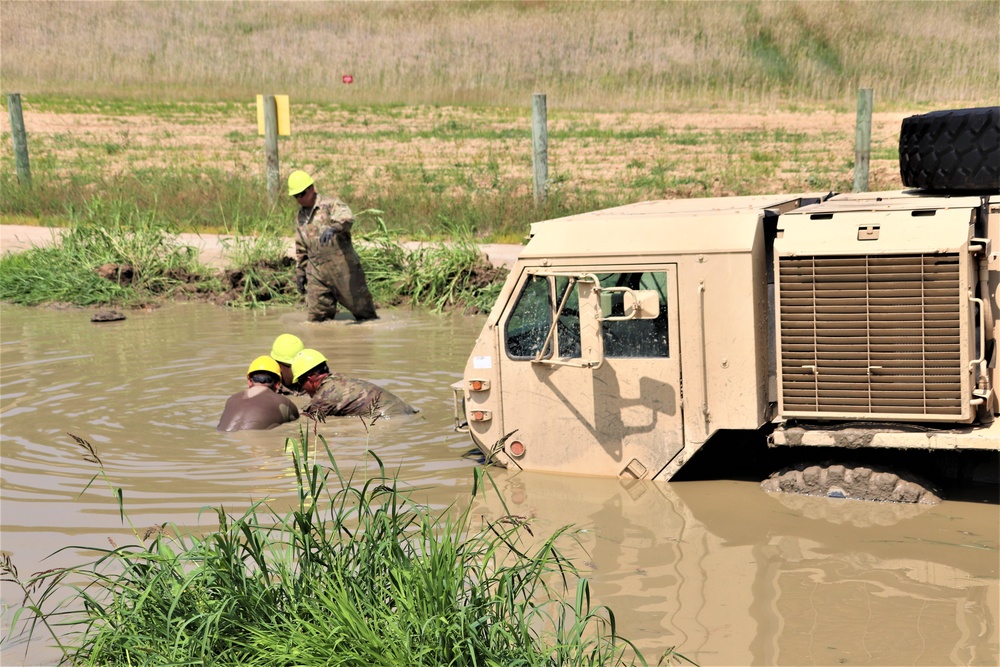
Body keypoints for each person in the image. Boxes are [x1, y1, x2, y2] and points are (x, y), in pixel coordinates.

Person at [288, 170, 378, 322]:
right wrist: (301, 272)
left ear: (311, 188)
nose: (300, 199)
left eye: (302, 194)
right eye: (296, 196)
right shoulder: (300, 216)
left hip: (343, 269)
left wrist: (334, 227)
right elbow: (301, 246)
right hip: (316, 272)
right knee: (317, 319)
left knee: (364, 314)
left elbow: (348, 217)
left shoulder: (330, 205)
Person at [290, 349, 416, 419]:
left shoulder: (323, 397)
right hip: (407, 410)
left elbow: (304, 421)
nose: (303, 389)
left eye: (301, 383)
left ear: (310, 379)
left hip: (391, 419)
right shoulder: (340, 378)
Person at [217, 356, 300, 431]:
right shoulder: (285, 403)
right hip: (255, 442)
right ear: (277, 384)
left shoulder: (232, 399)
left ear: (249, 382)